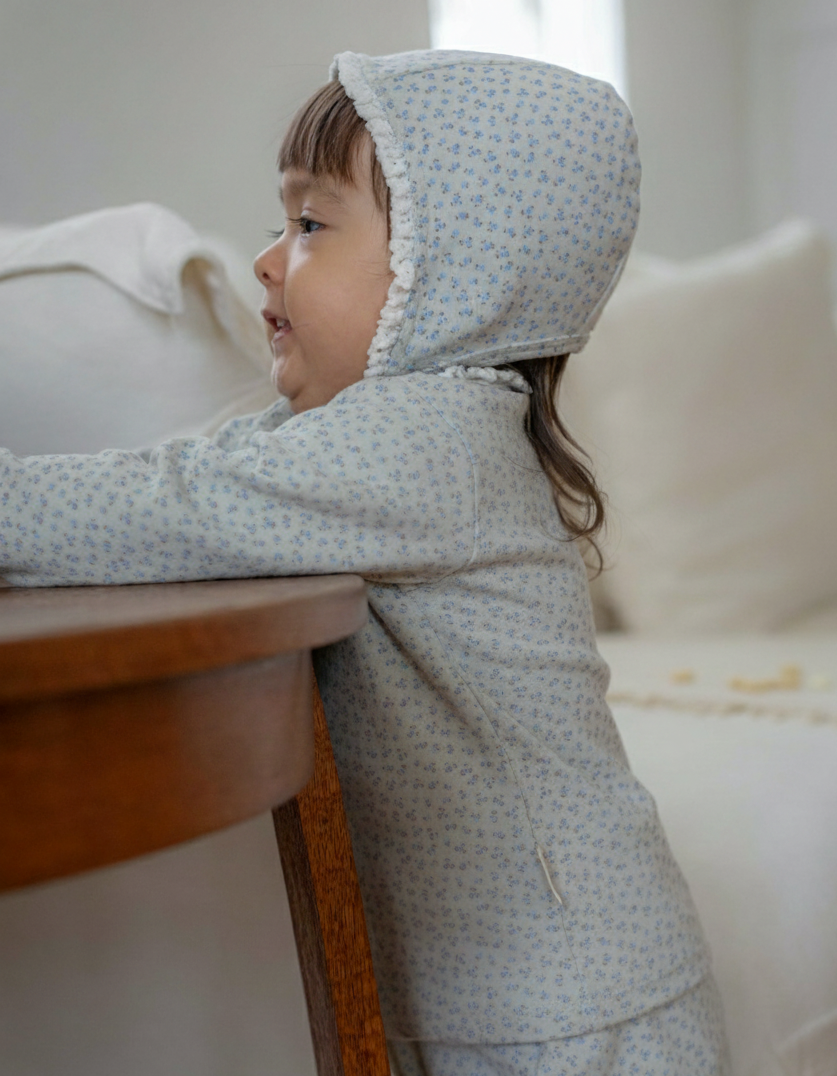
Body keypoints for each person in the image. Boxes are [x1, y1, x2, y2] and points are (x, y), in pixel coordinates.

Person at [0, 50, 729, 1075]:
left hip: (576, 1011)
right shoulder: (389, 438)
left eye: (309, 224)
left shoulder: (431, 442)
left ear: (452, 270)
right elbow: (213, 467)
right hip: (512, 994)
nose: (265, 260)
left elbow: (174, 500)